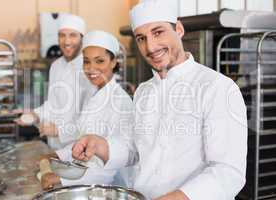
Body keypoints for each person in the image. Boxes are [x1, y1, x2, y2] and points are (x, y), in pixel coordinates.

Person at [71, 0, 248, 200]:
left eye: (158, 32)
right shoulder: (143, 92)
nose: (151, 46)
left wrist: (174, 197)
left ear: (179, 29)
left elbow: (228, 172)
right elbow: (134, 149)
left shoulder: (217, 88)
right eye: (141, 38)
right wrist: (100, 145)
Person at [40, 30, 134, 189]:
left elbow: (112, 165)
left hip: (110, 188)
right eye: (86, 61)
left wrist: (61, 180)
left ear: (113, 62)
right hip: (89, 182)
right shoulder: (96, 94)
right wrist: (59, 155)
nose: (91, 68)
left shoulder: (120, 102)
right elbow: (84, 138)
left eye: (100, 61)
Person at [14, 14, 96, 150]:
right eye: (62, 35)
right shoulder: (56, 66)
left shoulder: (90, 69)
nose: (66, 41)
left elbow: (93, 119)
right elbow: (53, 104)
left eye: (72, 35)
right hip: (55, 147)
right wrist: (35, 115)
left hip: (80, 149)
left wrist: (60, 131)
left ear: (82, 38)